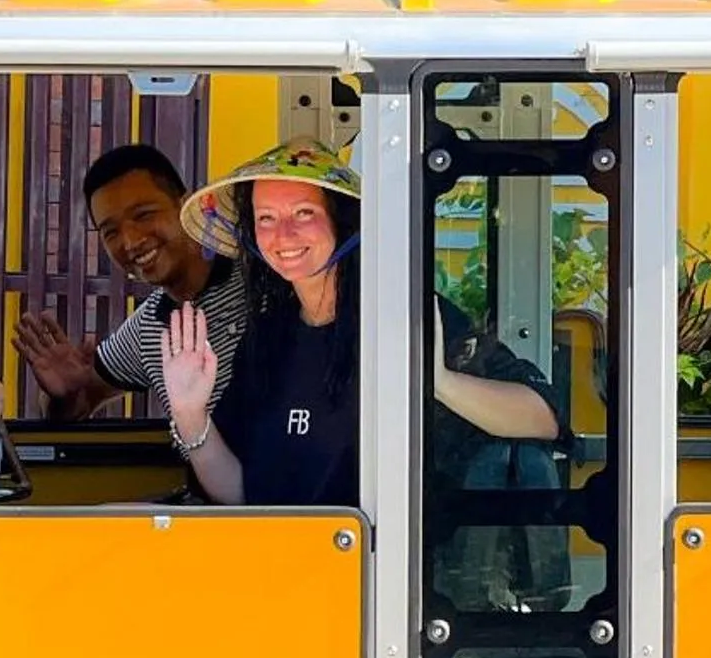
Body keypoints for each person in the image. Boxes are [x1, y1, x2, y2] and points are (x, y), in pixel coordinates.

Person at [161, 141, 558, 507]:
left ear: (345, 222)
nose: (283, 234)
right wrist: (190, 413)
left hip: (385, 578)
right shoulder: (267, 335)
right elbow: (243, 496)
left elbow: (544, 419)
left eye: (304, 213)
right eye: (266, 218)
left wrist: (438, 382)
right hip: (286, 570)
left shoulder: (402, 315)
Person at [8, 143, 249, 420]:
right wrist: (68, 393)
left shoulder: (264, 283)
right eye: (110, 232)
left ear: (184, 206)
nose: (131, 242)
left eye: (144, 215)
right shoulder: (146, 328)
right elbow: (76, 407)